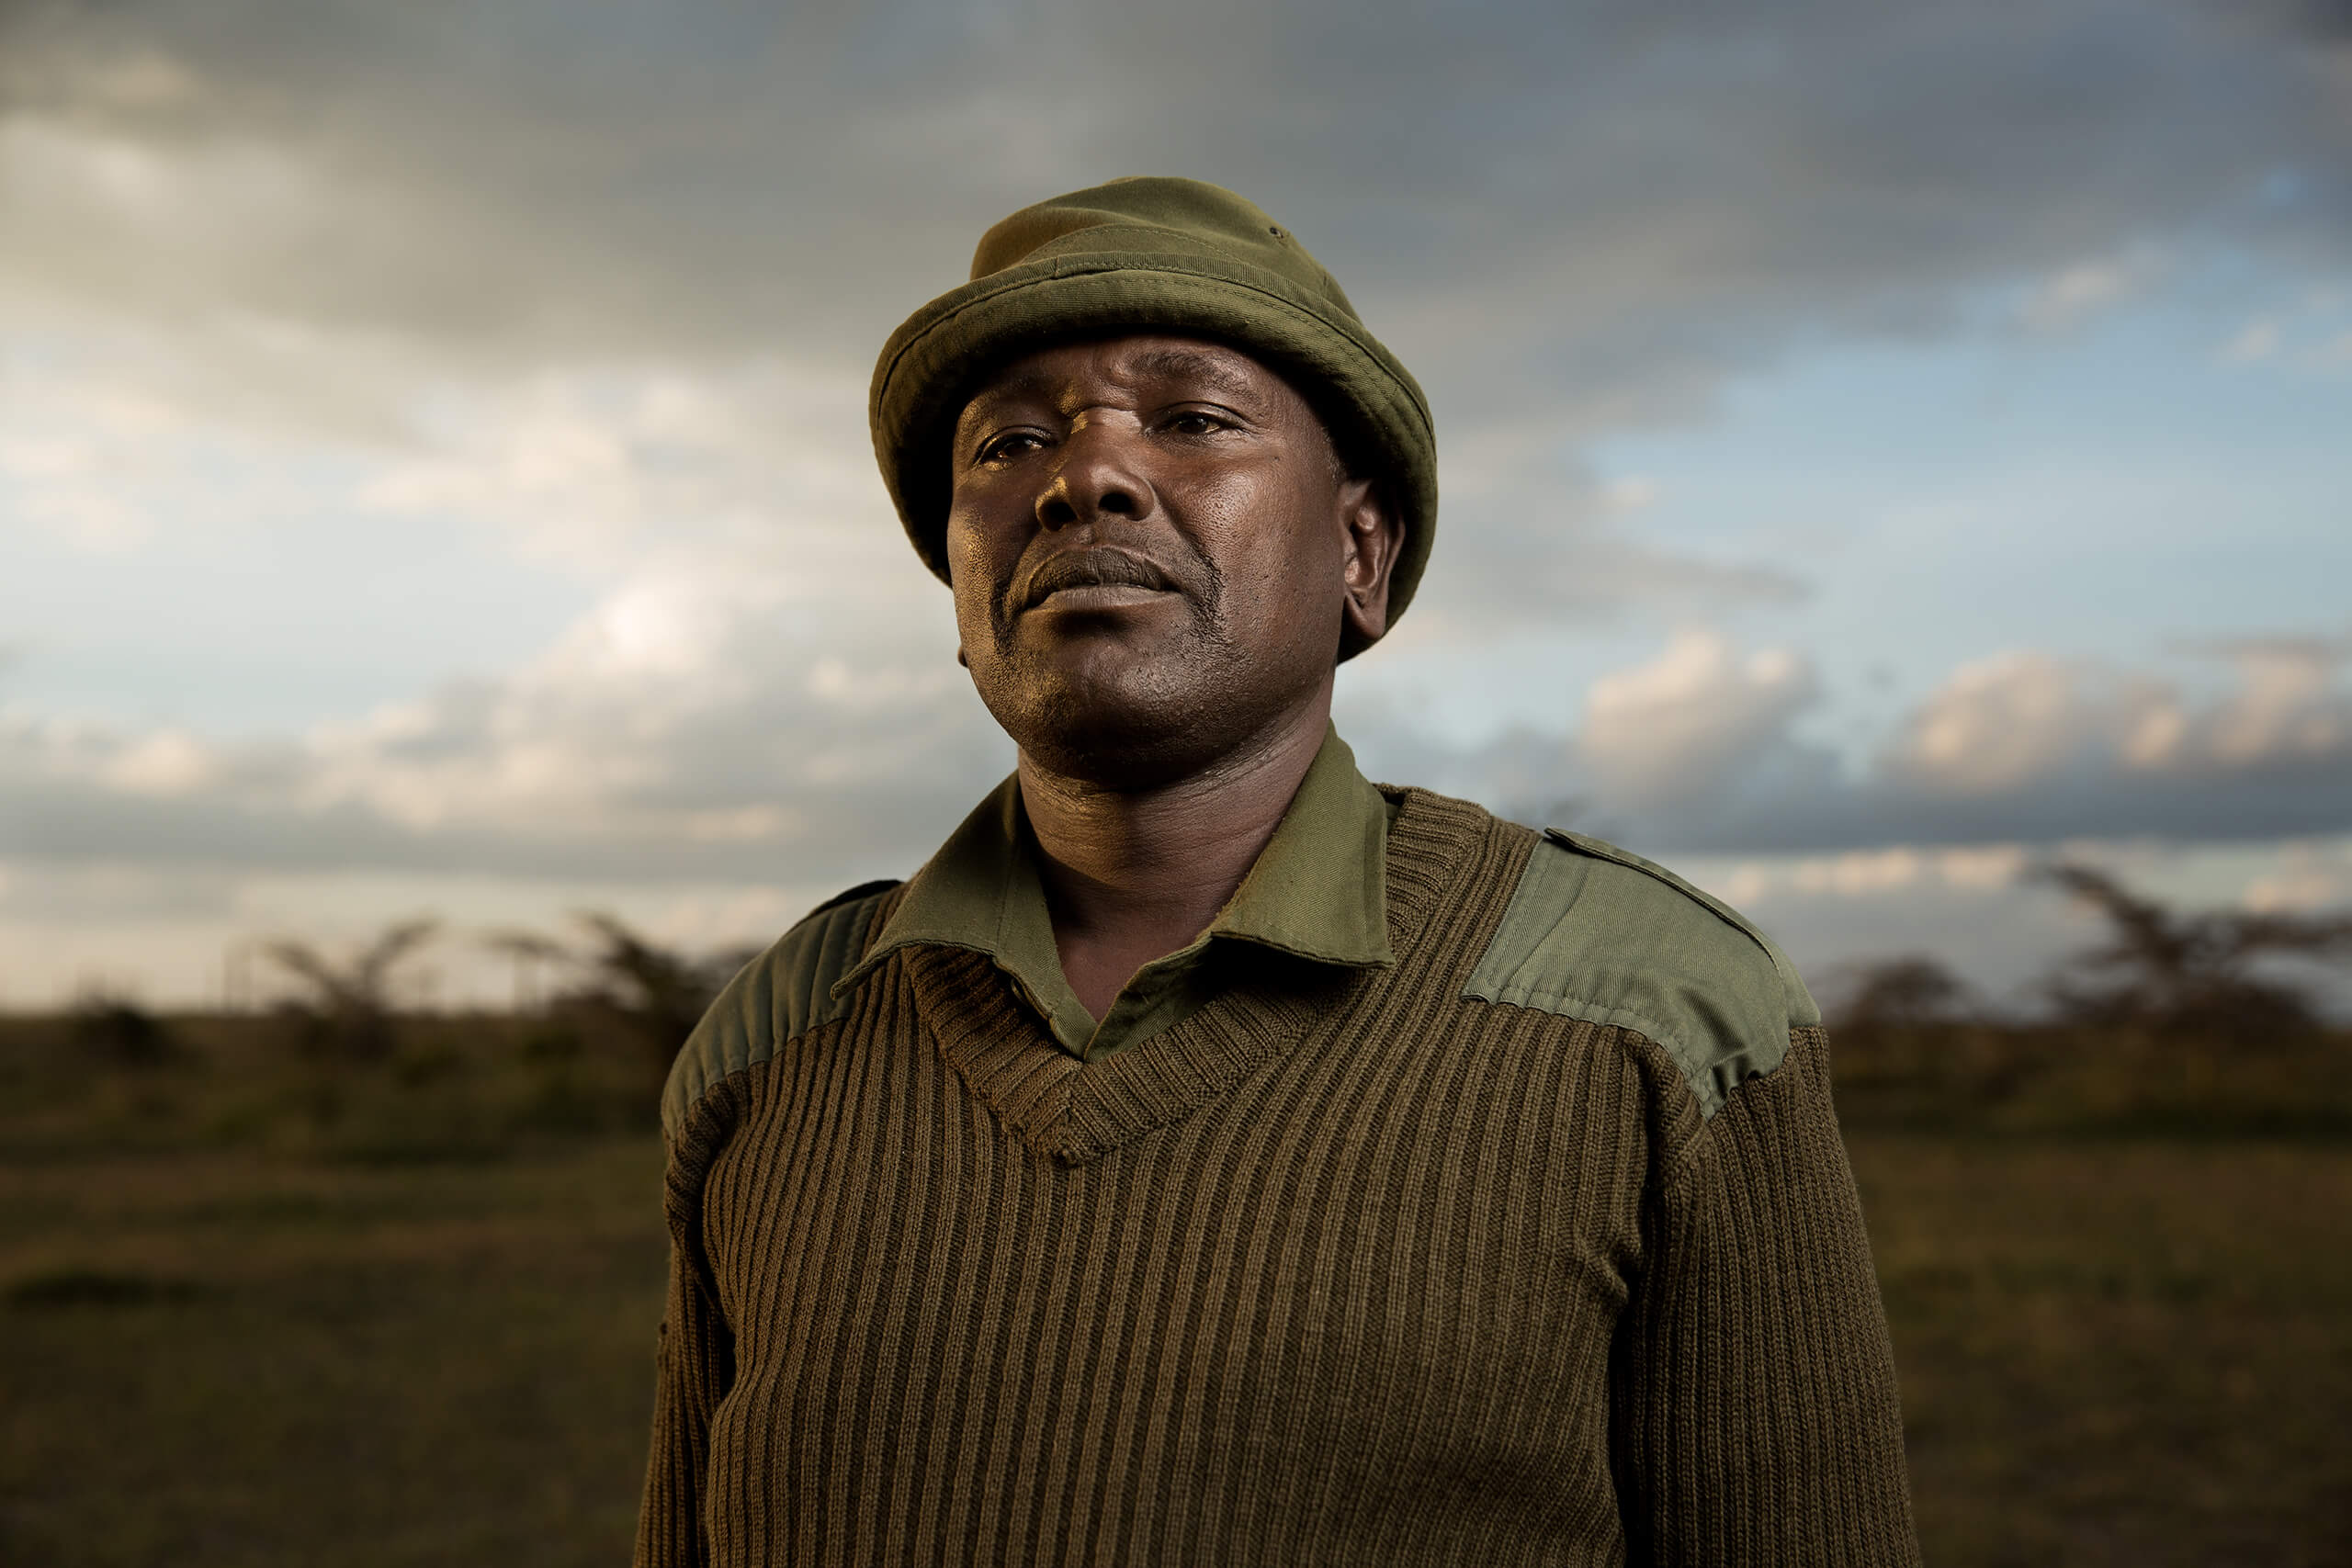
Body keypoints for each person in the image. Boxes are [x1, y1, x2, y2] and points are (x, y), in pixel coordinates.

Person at [634, 176, 1920, 1566]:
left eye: (1191, 420)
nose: (1083, 477)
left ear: (1360, 555)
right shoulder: (780, 1034)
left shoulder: (1656, 1013)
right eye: (1006, 443)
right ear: (960, 593)